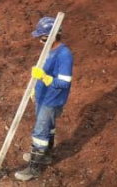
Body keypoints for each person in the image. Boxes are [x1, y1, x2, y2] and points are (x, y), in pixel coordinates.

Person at [15, 16, 73, 182]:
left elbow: (64, 82)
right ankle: (45, 156)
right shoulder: (49, 50)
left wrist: (45, 79)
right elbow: (42, 70)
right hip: (43, 95)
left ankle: (34, 168)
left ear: (51, 36)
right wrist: (35, 88)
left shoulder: (64, 55)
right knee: (49, 127)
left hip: (52, 99)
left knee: (40, 133)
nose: (39, 40)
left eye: (42, 36)